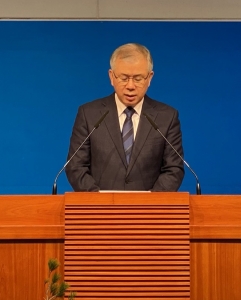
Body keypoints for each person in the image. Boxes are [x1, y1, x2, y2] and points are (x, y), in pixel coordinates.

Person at [65, 43, 184, 192]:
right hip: (99, 205)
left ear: (149, 78)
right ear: (111, 76)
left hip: (150, 206)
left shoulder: (167, 117)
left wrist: (151, 202)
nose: (130, 86)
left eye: (138, 78)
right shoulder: (89, 114)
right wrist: (100, 201)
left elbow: (174, 169)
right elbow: (75, 166)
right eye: (124, 78)